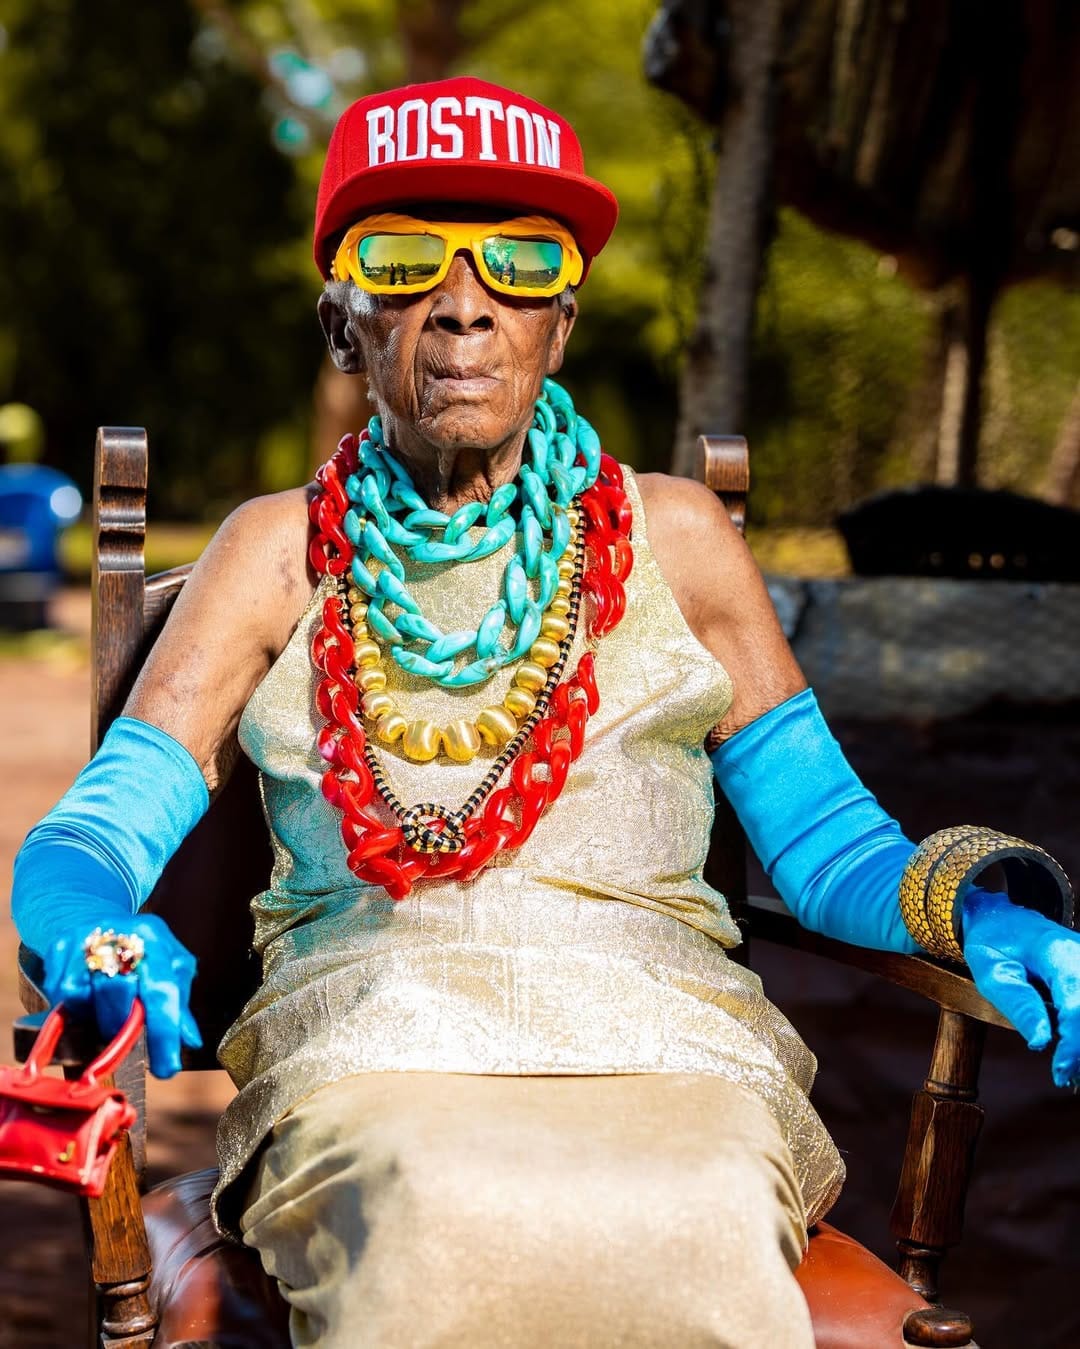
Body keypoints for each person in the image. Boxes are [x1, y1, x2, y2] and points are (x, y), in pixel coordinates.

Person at [11, 76, 1080, 1348]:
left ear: (560, 325)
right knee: (429, 1206)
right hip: (373, 1047)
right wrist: (88, 927)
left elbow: (831, 842)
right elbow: (94, 836)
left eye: (521, 262)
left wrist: (978, 904)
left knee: (694, 1206)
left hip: (673, 1050)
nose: (465, 304)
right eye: (402, 259)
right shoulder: (276, 553)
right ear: (342, 324)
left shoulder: (677, 538)